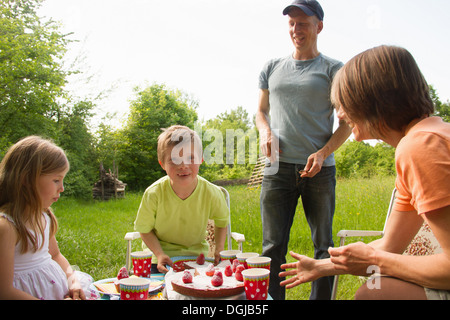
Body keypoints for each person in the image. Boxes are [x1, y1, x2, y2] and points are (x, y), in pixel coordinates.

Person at [280, 45, 450, 300]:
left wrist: (374, 259)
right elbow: (391, 245)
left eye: (345, 103)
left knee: (374, 294)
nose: (339, 113)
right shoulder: (427, 137)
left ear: (372, 99)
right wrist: (321, 267)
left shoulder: (420, 146)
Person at [255, 0, 351, 300]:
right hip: (277, 169)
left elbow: (347, 123)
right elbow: (260, 111)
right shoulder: (271, 67)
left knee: (323, 245)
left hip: (319, 171)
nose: (297, 29)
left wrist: (323, 153)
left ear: (318, 27)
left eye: (304, 23)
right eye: (292, 23)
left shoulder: (334, 69)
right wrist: (265, 131)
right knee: (272, 247)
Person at [0, 136, 93, 300]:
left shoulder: (44, 216)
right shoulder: (7, 227)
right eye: (56, 180)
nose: (62, 188)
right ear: (26, 179)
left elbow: (56, 255)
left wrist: (73, 281)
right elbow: (4, 291)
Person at [134, 125, 230, 273]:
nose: (183, 165)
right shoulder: (153, 193)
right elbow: (144, 229)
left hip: (197, 259)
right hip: (159, 259)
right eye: (174, 160)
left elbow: (222, 222)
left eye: (190, 158)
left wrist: (219, 249)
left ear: (201, 159)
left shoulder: (212, 193)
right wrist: (159, 254)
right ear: (162, 164)